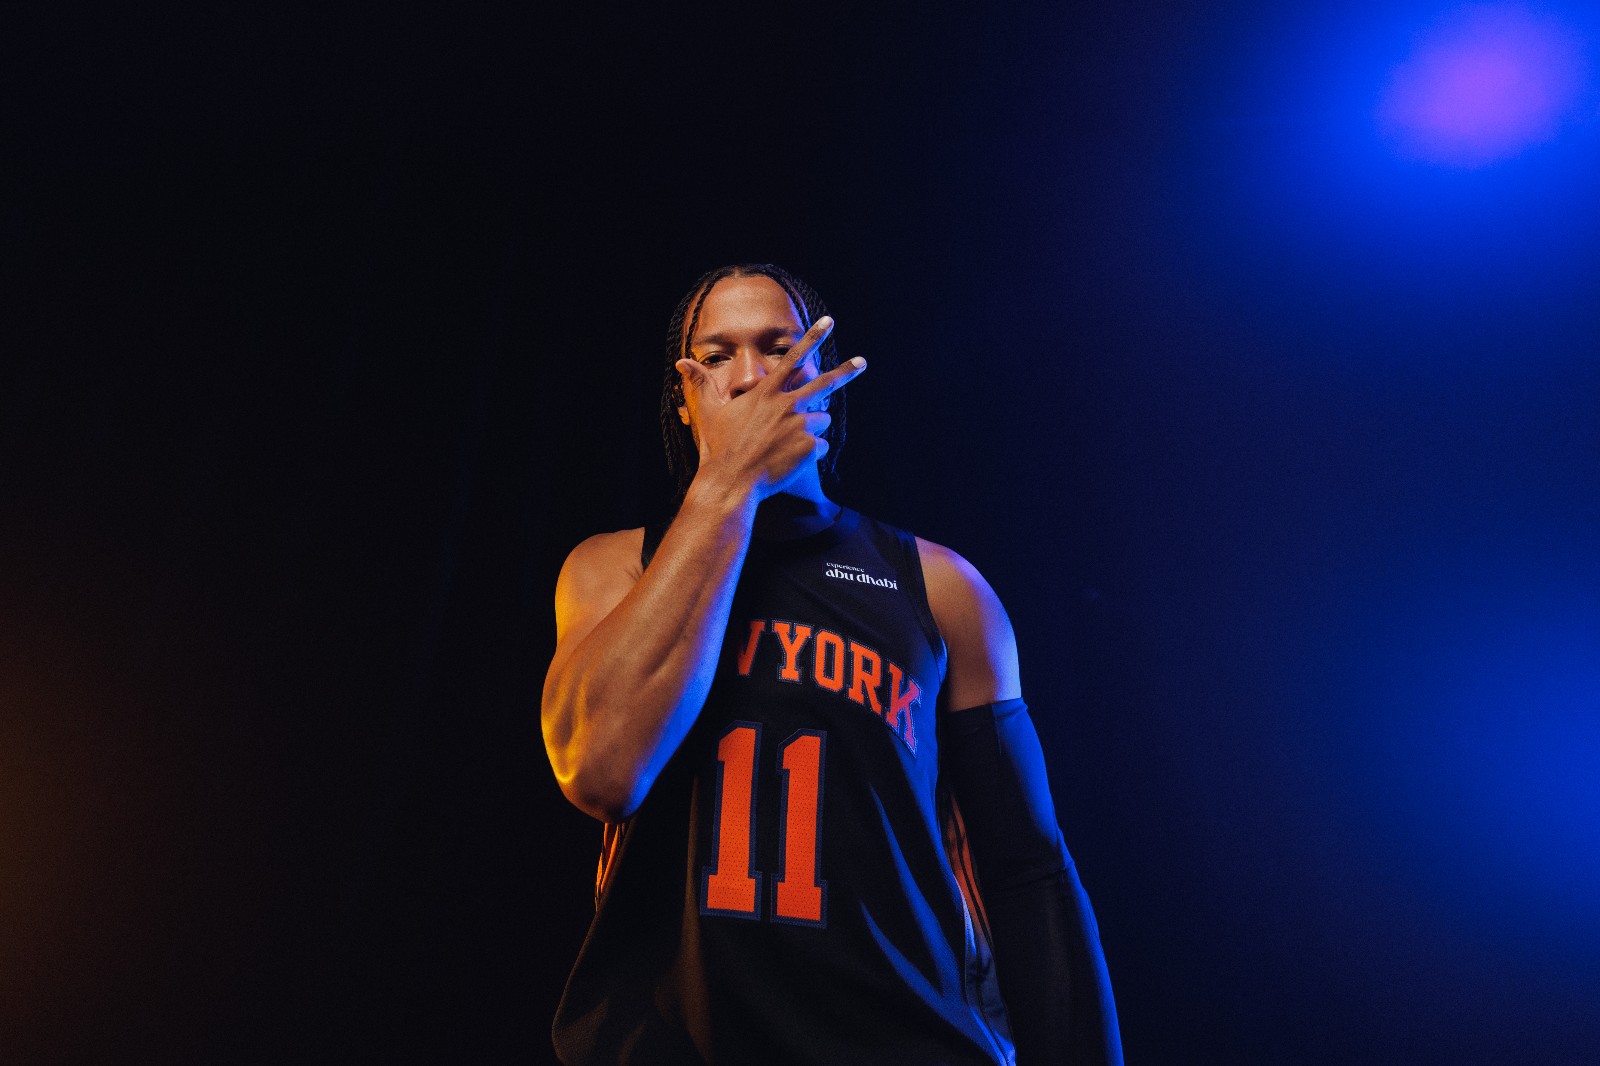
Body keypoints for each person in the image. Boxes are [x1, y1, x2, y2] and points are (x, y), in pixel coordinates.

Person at [541, 264, 1121, 1065]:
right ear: (684, 398)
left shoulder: (942, 588)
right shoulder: (613, 570)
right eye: (717, 356)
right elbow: (601, 769)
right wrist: (728, 481)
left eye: (780, 348)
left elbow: (1029, 871)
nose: (751, 377)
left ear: (826, 381)